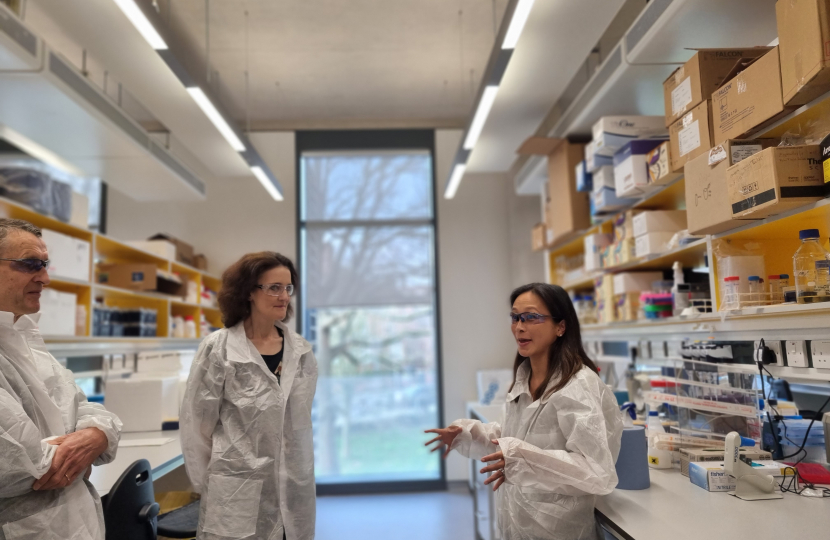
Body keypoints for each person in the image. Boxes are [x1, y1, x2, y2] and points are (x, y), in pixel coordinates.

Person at [426, 283, 623, 540]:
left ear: (560, 326)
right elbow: (511, 437)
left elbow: (596, 471)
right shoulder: (524, 377)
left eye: (531, 317)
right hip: (517, 521)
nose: (519, 326)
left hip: (558, 528)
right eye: (515, 317)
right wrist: (469, 434)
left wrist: (522, 458)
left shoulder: (577, 385)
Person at [181, 252, 317, 540]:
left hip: (292, 486)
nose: (284, 296)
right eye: (273, 287)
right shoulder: (219, 348)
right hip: (235, 488)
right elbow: (197, 425)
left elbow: (299, 423)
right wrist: (207, 484)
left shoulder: (301, 351)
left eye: (288, 288)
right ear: (249, 292)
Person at [0, 218, 122, 539]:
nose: (46, 278)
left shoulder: (24, 335)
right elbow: (17, 466)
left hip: (75, 522)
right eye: (30, 265)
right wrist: (86, 447)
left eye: (45, 265)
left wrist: (97, 434)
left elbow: (86, 408)